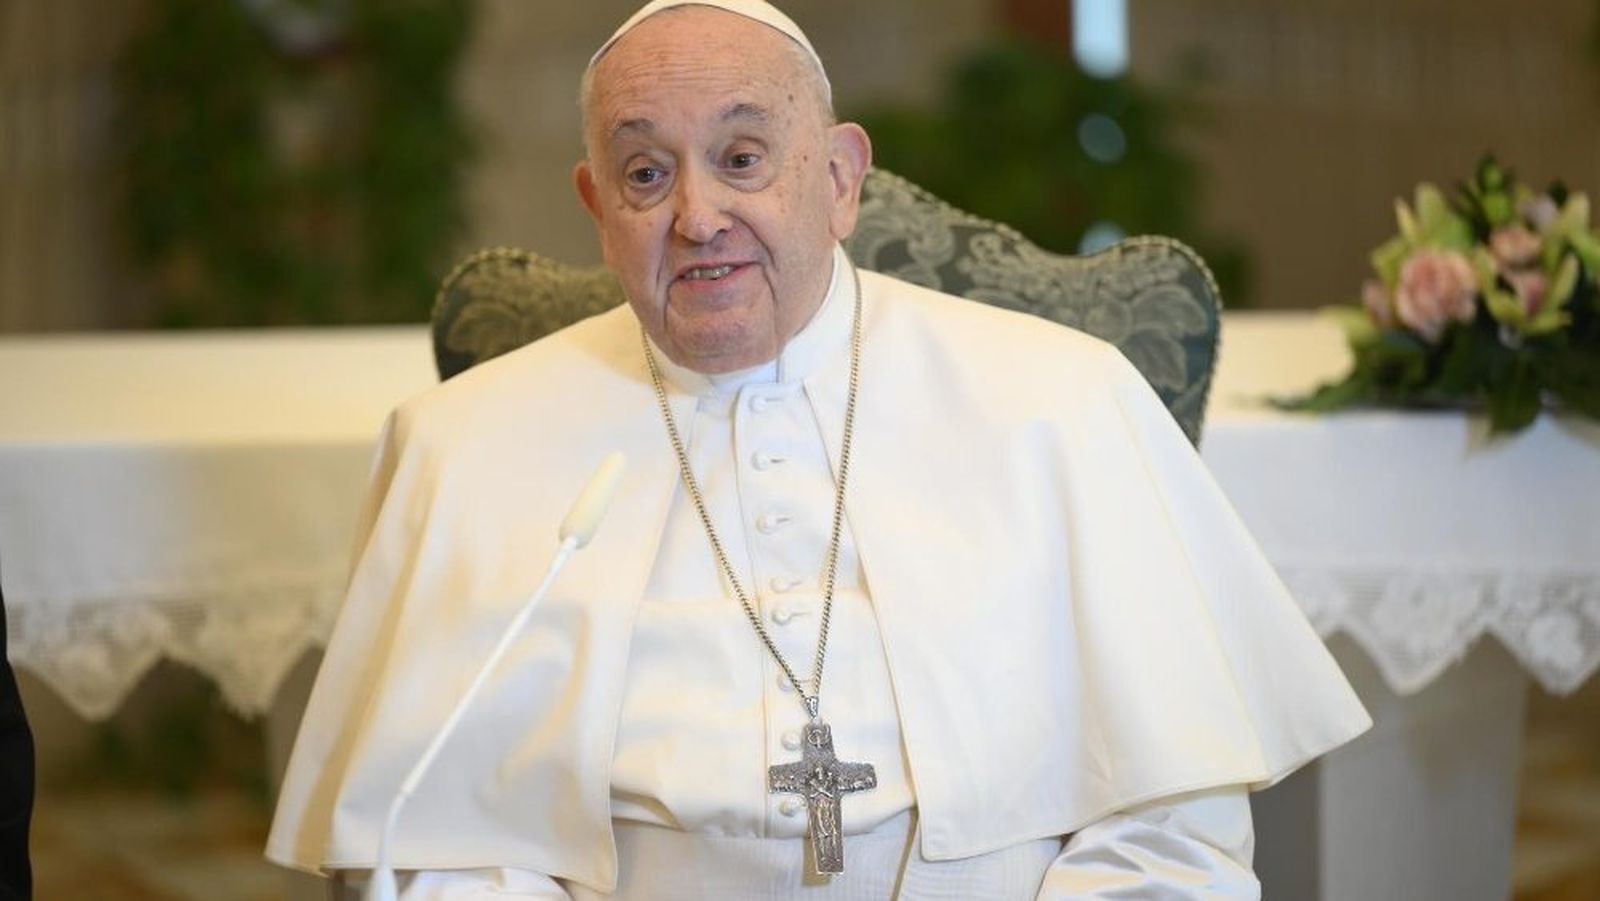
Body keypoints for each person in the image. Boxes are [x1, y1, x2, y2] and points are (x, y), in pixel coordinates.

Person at [268, 2, 1370, 897]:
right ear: (596, 205)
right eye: (646, 174)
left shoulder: (1064, 403)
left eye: (742, 157)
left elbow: (1170, 832)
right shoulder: (467, 447)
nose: (698, 215)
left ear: (840, 179)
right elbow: (437, 851)